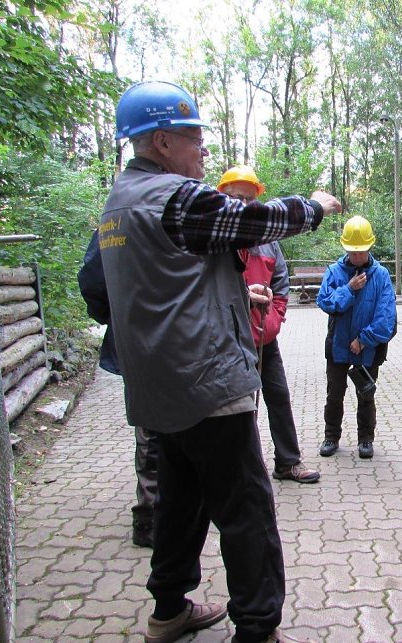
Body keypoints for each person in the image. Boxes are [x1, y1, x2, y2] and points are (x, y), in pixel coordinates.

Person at [100, 80, 341, 643]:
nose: (203, 149)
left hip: (157, 390)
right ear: (161, 141)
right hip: (207, 383)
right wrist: (314, 207)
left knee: (179, 504)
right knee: (246, 510)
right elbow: (253, 221)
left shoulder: (116, 205)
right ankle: (257, 629)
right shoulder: (175, 199)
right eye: (194, 138)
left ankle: (168, 611)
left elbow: (95, 287)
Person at [216, 166, 320, 484]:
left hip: (264, 336)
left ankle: (288, 461)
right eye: (235, 198)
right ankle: (239, 469)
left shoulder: (267, 240)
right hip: (230, 340)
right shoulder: (218, 237)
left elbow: (281, 283)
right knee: (238, 406)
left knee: (278, 396)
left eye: (249, 199)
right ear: (223, 198)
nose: (243, 205)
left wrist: (272, 320)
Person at [78, 230, 158, 548]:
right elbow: (94, 282)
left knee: (152, 427)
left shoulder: (112, 221)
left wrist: (115, 317)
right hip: (154, 341)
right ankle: (149, 517)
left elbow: (91, 281)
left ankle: (158, 511)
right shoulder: (173, 210)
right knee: (155, 429)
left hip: (137, 338)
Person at [316, 215, 397, 460]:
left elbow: (387, 317)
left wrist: (364, 339)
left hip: (369, 349)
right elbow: (325, 302)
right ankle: (331, 436)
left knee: (366, 394)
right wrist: (349, 289)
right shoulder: (334, 272)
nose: (357, 257)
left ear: (370, 247)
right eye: (353, 252)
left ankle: (365, 440)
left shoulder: (381, 275)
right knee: (334, 394)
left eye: (361, 252)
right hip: (339, 346)